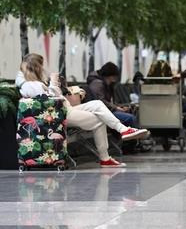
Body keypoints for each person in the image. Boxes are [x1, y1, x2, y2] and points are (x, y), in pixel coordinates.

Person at [15, 53, 149, 168]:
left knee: (97, 104)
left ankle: (122, 130)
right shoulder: (29, 85)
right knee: (100, 118)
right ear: (36, 67)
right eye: (41, 65)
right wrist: (54, 83)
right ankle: (105, 157)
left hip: (66, 108)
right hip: (61, 114)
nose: (43, 69)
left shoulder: (33, 82)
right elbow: (50, 98)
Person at [87, 62, 138, 128]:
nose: (115, 79)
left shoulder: (105, 83)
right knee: (130, 118)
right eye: (114, 77)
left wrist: (118, 107)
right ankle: (137, 136)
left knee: (129, 115)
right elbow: (100, 102)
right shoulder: (97, 84)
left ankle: (132, 136)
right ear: (109, 75)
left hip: (106, 111)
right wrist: (116, 108)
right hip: (102, 113)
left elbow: (108, 101)